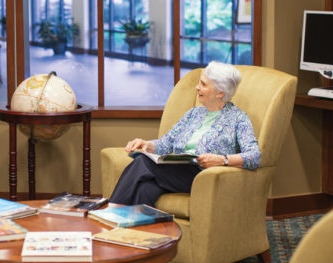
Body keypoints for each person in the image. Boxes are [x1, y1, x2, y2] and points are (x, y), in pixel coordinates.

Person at [108, 61, 261, 209]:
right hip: (175, 170)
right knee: (145, 189)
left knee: (142, 161)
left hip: (203, 176)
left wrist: (223, 160)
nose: (197, 87)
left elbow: (254, 156)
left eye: (203, 84)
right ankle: (137, 233)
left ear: (220, 93)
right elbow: (167, 142)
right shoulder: (193, 113)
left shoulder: (238, 119)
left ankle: (110, 211)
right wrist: (147, 145)